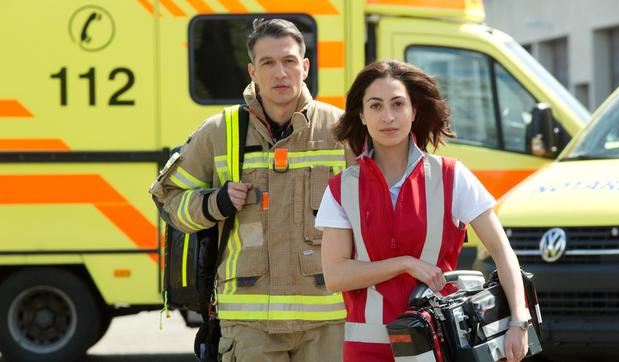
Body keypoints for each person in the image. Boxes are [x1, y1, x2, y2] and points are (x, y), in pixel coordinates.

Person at [150, 19, 349, 361]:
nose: (280, 73)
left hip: (327, 323)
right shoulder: (219, 131)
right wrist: (216, 203)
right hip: (249, 325)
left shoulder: (341, 130)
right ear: (252, 72)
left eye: (288, 61)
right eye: (268, 63)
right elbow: (169, 200)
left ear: (305, 67)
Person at [315, 60, 531, 362]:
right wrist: (404, 264)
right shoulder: (341, 187)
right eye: (375, 106)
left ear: (414, 111)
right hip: (367, 352)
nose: (387, 116)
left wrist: (519, 321)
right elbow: (336, 276)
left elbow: (501, 250)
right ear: (362, 116)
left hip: (439, 348)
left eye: (398, 104)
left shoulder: (452, 176)